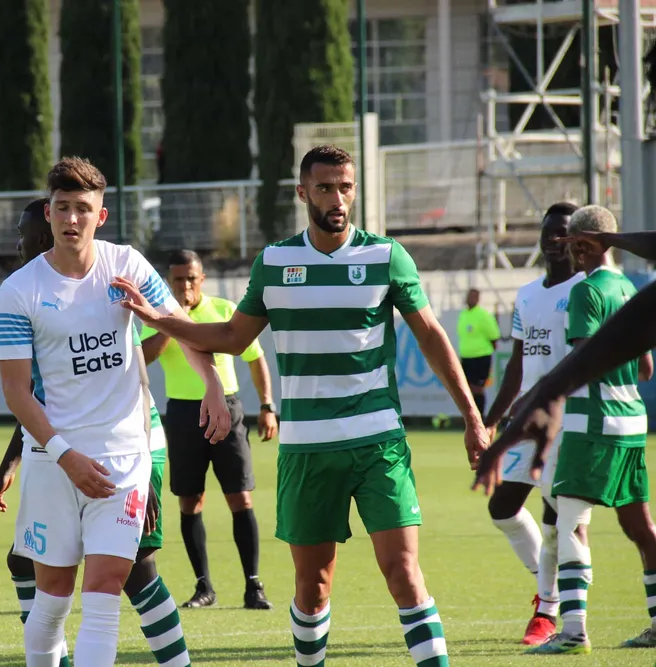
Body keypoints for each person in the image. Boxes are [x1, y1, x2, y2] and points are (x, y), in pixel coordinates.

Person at [113, 144, 489, 667]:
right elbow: (228, 335)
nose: (338, 198)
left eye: (346, 187)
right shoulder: (275, 262)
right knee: (313, 588)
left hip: (378, 442)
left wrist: (472, 417)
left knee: (403, 572)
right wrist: (158, 318)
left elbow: (431, 335)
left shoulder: (385, 256)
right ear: (302, 193)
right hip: (308, 450)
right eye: (325, 188)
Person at [0, 157, 231, 667]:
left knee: (104, 593)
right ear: (50, 212)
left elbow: (177, 323)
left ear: (101, 215)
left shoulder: (126, 264)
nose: (71, 219)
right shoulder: (19, 291)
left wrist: (211, 380)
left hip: (123, 457)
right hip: (53, 461)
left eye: (83, 208)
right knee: (53, 600)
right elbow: (16, 392)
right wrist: (65, 456)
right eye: (62, 208)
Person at [475, 206, 655, 655]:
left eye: (574, 241)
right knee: (641, 527)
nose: (568, 250)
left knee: (571, 524)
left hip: (586, 421)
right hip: (631, 422)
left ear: (585, 243)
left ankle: (571, 629)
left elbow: (580, 362)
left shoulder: (586, 291)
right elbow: (646, 368)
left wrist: (546, 400)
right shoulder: (628, 287)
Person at [140, 248, 279, 610]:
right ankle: (204, 587)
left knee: (241, 497)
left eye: (191, 278)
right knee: (190, 500)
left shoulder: (224, 309)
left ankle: (253, 585)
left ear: (202, 279)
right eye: (177, 280)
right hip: (184, 414)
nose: (185, 284)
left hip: (228, 409)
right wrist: (176, 320)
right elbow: (147, 355)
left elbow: (255, 358)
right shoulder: (156, 316)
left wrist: (267, 406)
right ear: (168, 282)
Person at [479, 202, 584, 646]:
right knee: (502, 507)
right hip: (529, 419)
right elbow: (517, 367)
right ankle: (549, 586)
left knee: (558, 519)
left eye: (562, 232)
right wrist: (487, 421)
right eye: (547, 231)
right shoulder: (526, 294)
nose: (552, 239)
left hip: (572, 419)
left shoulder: (586, 288)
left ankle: (547, 612)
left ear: (577, 241)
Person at [457, 288, 502, 418]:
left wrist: (485, 353)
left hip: (481, 357)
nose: (470, 299)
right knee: (467, 389)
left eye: (473, 296)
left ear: (478, 299)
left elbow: (494, 336)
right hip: (466, 357)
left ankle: (480, 417)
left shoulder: (483, 315)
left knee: (478, 388)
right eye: (469, 296)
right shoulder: (463, 314)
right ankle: (470, 417)